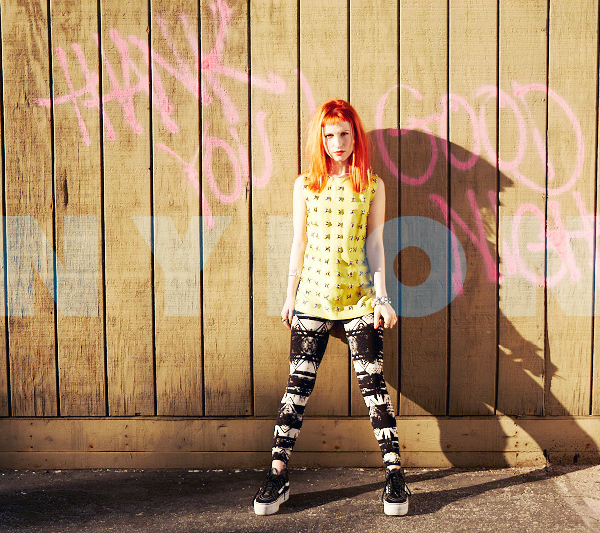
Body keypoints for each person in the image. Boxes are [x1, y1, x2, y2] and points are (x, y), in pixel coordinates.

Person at [252, 99, 410, 516]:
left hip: (359, 298)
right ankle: (277, 473)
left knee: (373, 385)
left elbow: (375, 244)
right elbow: (299, 242)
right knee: (297, 386)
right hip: (312, 298)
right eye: (329, 135)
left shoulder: (371, 185)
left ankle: (395, 473)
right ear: (319, 139)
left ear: (355, 136)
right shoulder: (306, 184)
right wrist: (290, 295)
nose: (337, 142)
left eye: (344, 134)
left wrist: (383, 299)